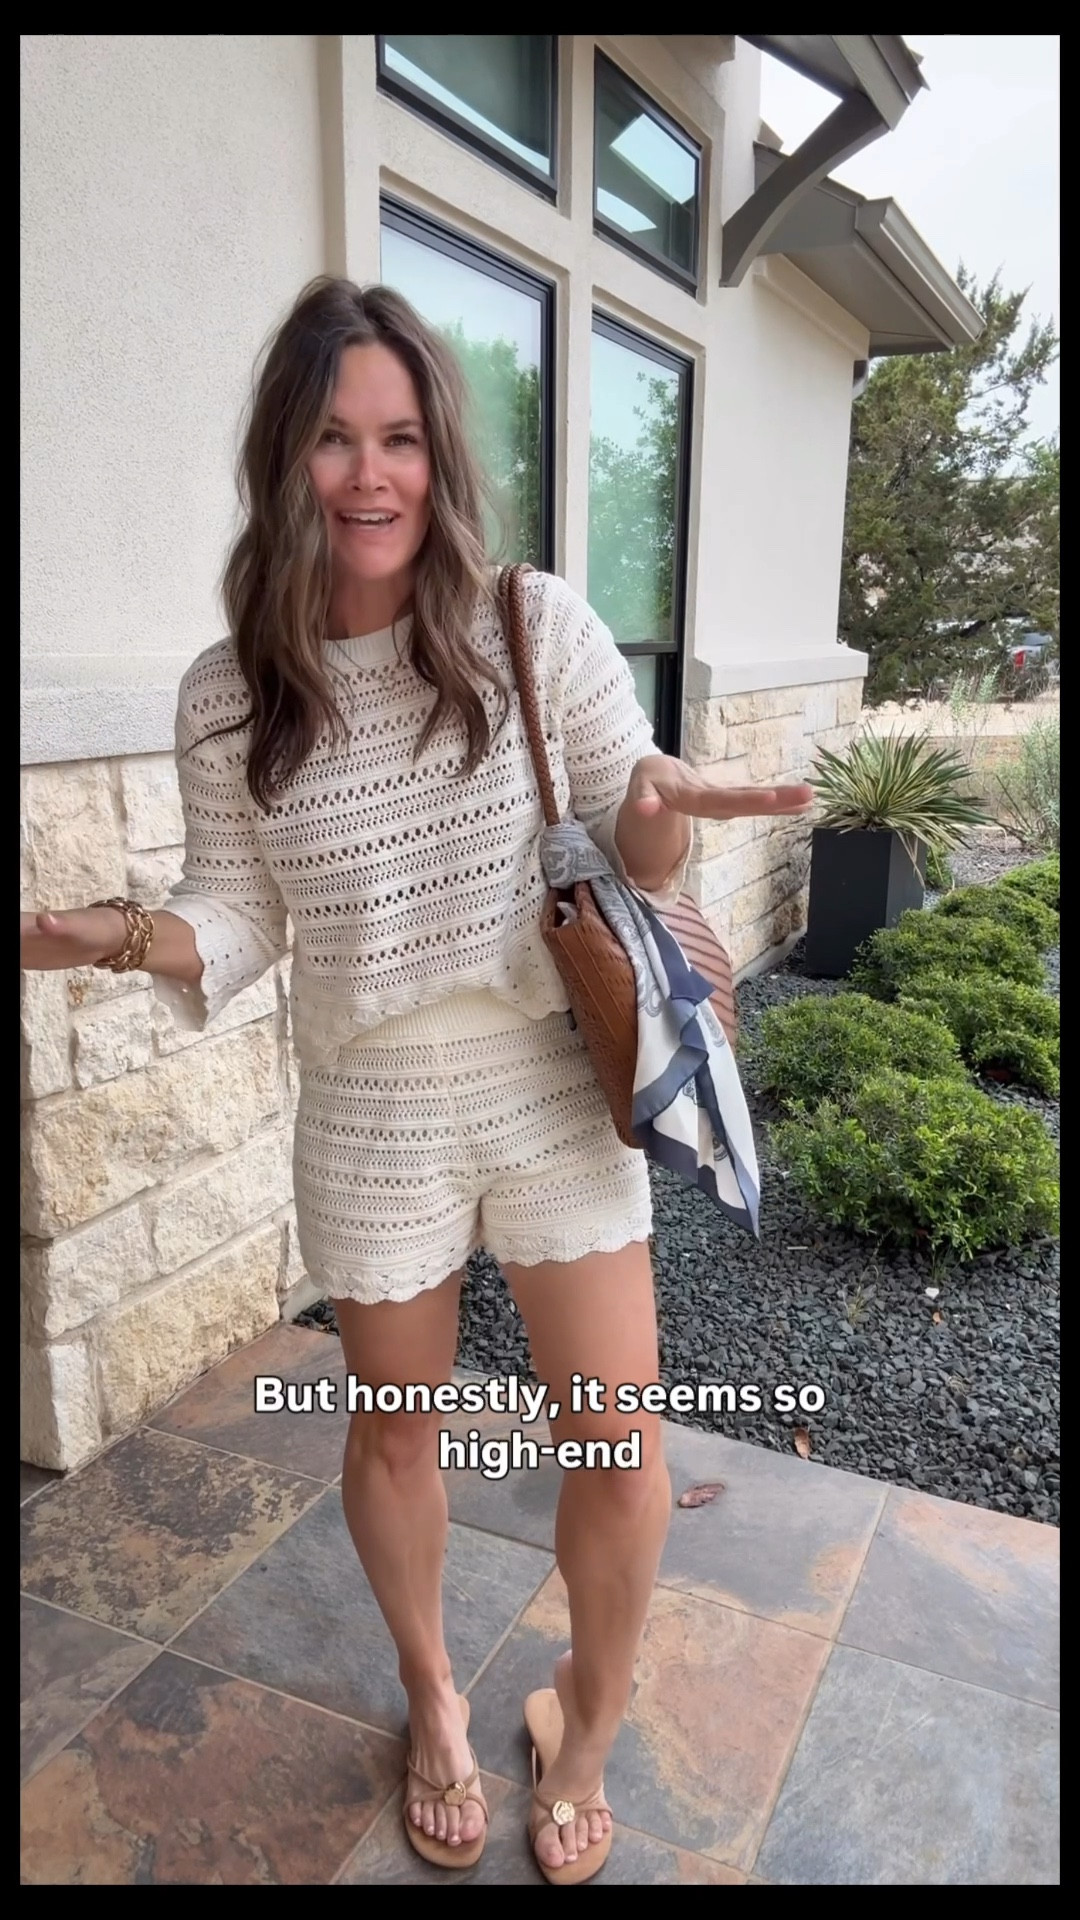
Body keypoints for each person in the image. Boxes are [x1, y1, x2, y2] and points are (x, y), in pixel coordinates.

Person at [21, 278, 812, 1885]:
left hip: (546, 1081)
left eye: (398, 438)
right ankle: (437, 1698)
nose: (369, 475)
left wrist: (659, 807)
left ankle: (581, 1731)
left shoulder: (531, 622)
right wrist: (106, 936)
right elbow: (239, 916)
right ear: (285, 458)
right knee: (392, 1438)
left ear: (438, 456)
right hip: (371, 1110)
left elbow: (635, 835)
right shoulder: (231, 690)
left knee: (621, 1446)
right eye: (333, 439)